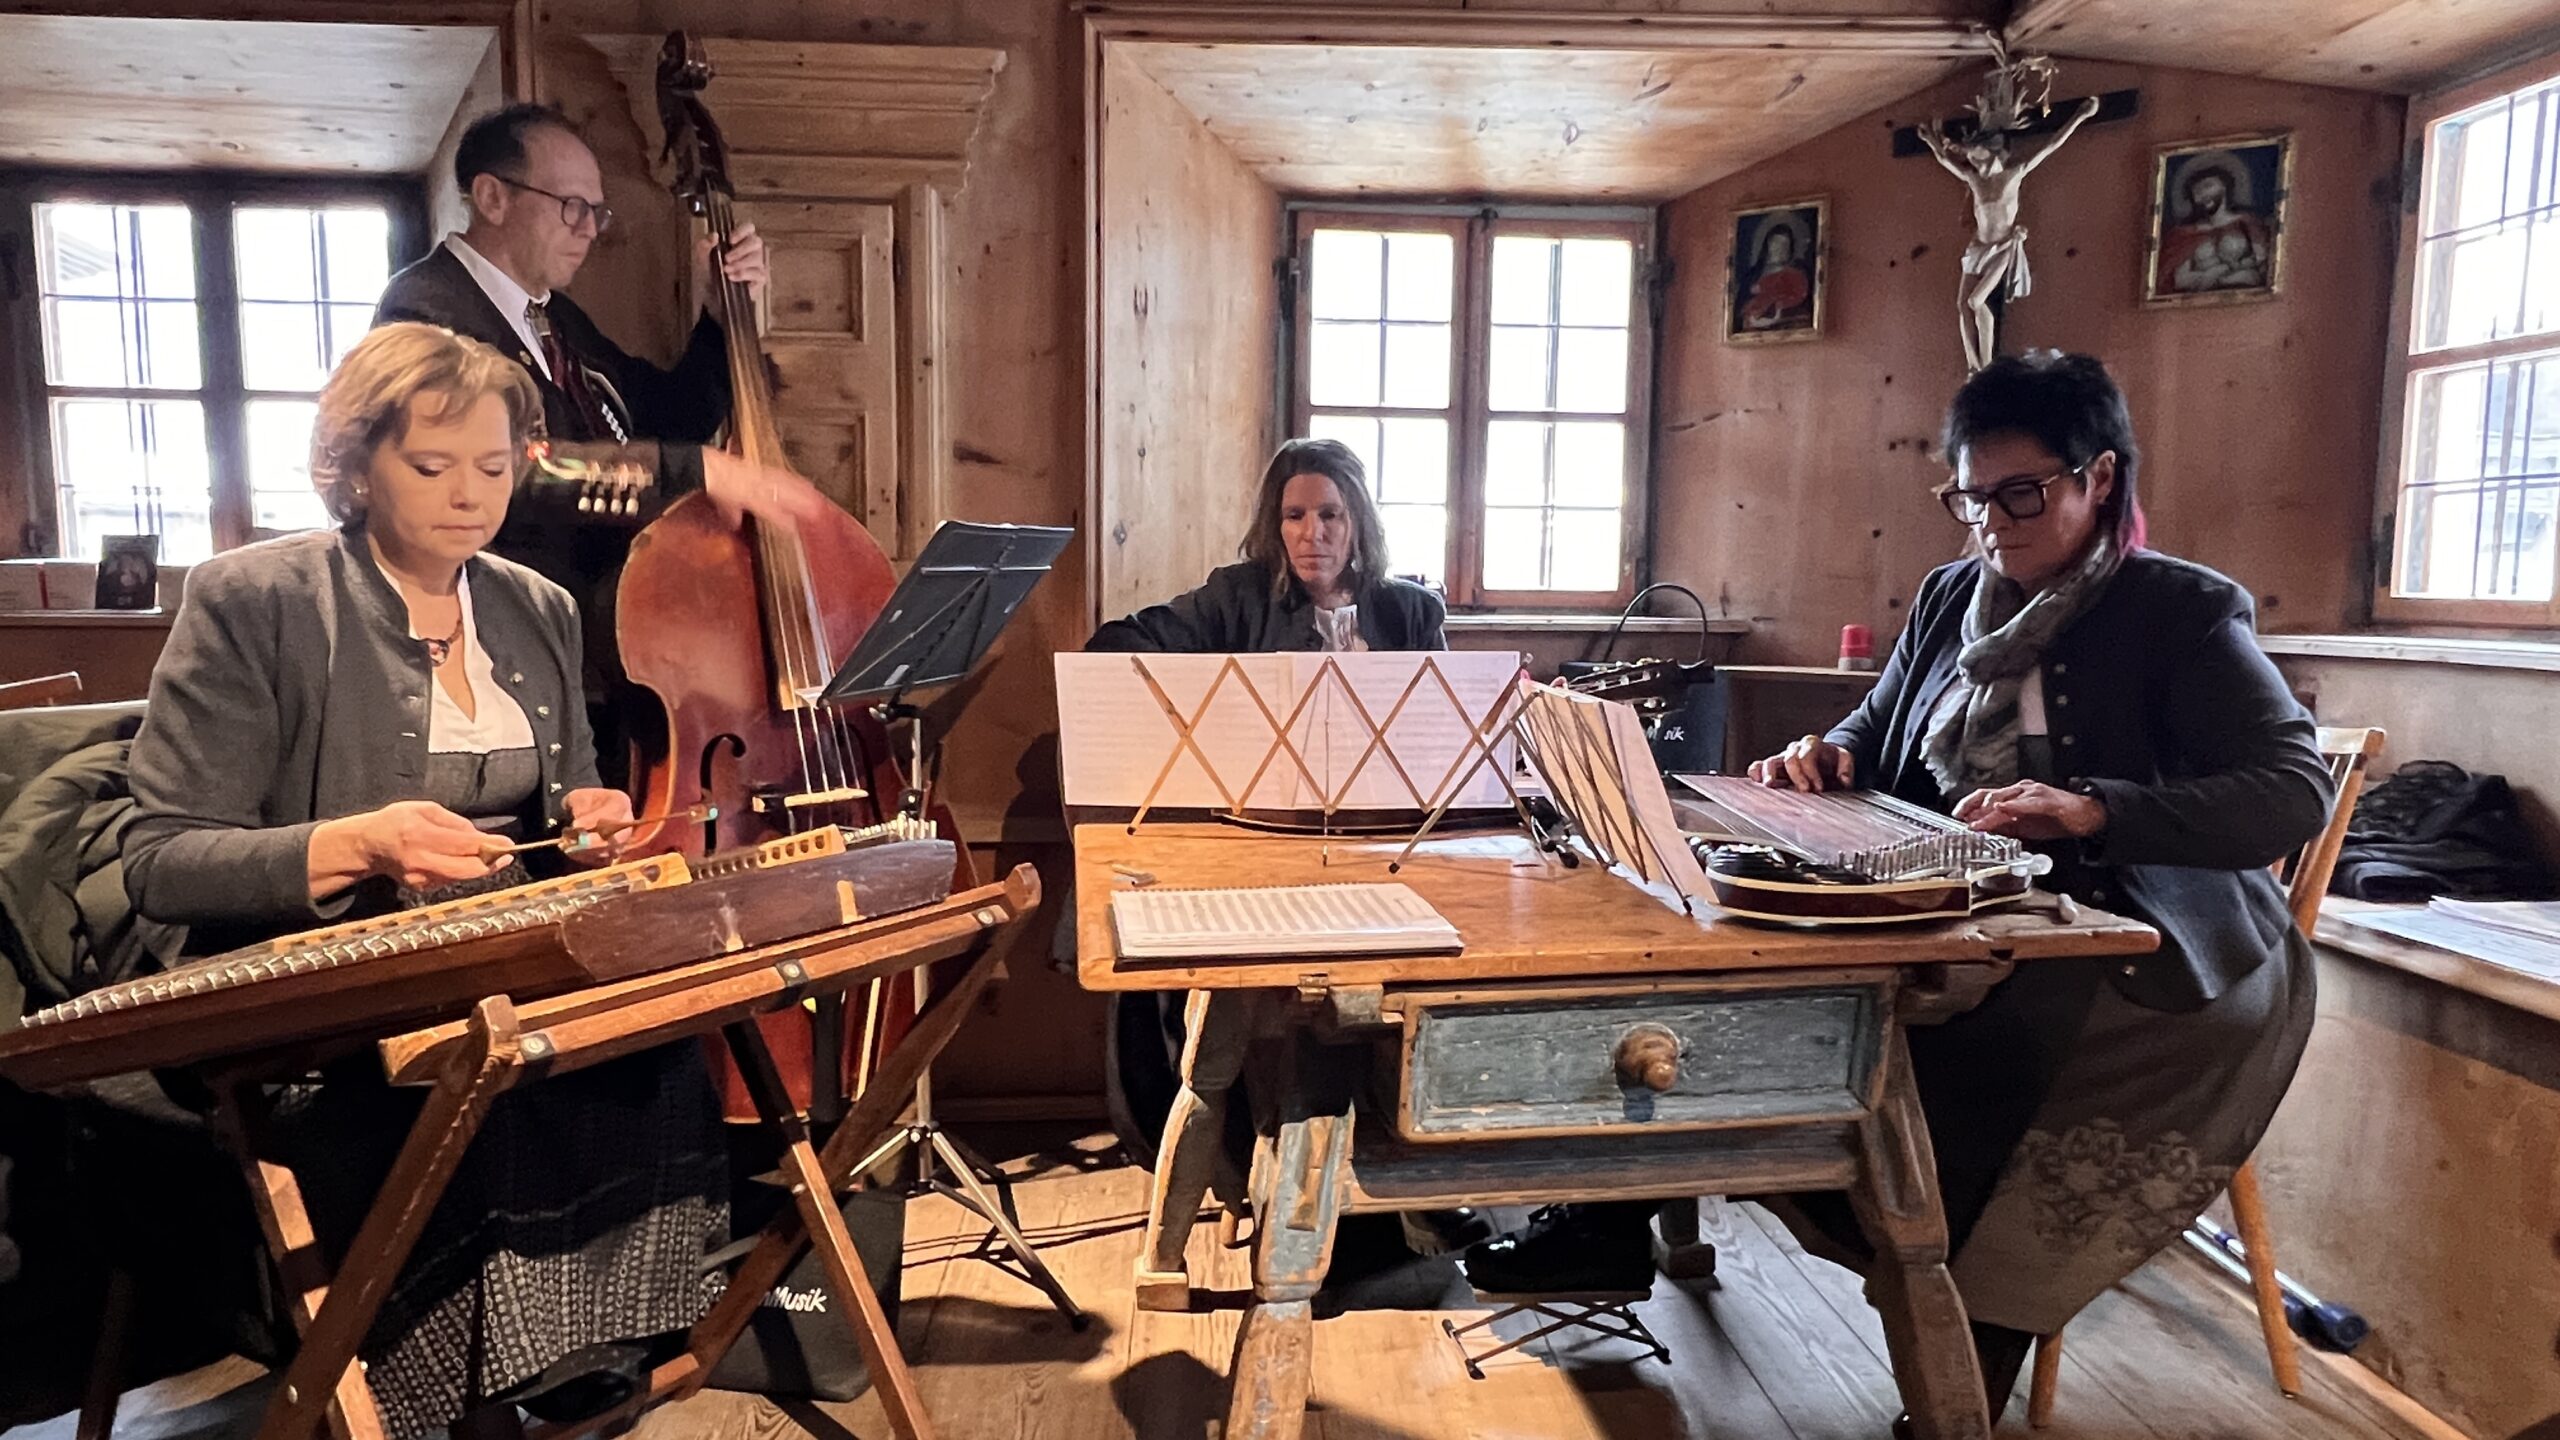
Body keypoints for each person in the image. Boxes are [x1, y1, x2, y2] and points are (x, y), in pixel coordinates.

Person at [120, 323, 822, 1438]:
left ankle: (588, 1360)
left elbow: (571, 806)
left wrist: (588, 823)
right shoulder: (257, 600)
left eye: (494, 469)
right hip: (321, 982)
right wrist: (362, 842)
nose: (470, 496)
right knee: (490, 1071)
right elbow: (156, 860)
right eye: (430, 465)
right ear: (351, 465)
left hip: (495, 946)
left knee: (649, 1041)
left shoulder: (532, 606)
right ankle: (452, 1391)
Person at [372, 102, 776, 781]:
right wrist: (692, 471)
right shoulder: (427, 308)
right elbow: (506, 469)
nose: (589, 230)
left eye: (597, 212)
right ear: (493, 197)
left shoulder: (557, 319)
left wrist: (718, 321)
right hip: (500, 643)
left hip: (593, 645)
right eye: (570, 207)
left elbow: (658, 419)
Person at [1088, 437, 1446, 654]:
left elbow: (1446, 723)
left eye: (1329, 515)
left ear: (1358, 523)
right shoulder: (1235, 598)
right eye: (1294, 515)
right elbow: (1120, 641)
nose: (1311, 533)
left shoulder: (1411, 611)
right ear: (1276, 525)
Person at [1738, 222, 1813, 331]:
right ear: (1767, 245)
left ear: (1789, 249)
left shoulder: (1796, 273)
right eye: (1775, 243)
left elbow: (1801, 298)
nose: (1779, 248)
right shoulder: (1753, 274)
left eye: (1784, 244)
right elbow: (1740, 306)